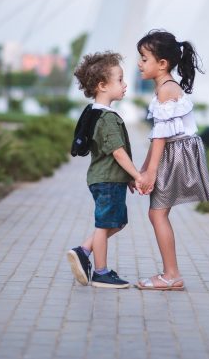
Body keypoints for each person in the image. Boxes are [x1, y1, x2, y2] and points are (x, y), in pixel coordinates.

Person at [134, 30, 209, 291]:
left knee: (157, 213)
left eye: (144, 58)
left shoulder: (167, 90)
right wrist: (144, 169)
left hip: (178, 153)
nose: (139, 63)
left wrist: (150, 172)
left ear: (162, 64)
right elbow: (159, 134)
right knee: (157, 213)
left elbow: (162, 138)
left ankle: (172, 275)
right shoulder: (165, 88)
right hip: (174, 151)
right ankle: (171, 273)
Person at [66, 51, 148, 288]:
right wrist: (137, 175)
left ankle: (83, 251)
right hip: (108, 180)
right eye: (120, 80)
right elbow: (118, 152)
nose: (125, 85)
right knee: (104, 225)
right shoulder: (107, 118)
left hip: (106, 179)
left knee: (116, 222)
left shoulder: (95, 113)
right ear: (102, 85)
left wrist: (128, 179)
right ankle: (100, 272)